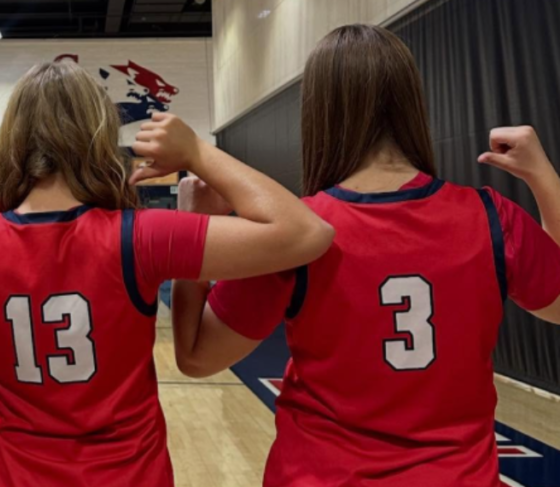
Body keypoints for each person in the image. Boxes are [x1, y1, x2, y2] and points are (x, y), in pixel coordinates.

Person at [0, 61, 335, 487]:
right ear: (97, 137)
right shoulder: (140, 238)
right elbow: (305, 233)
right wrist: (200, 153)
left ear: (14, 140)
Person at [171, 25, 560, 486]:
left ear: (318, 112)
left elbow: (197, 356)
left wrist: (192, 232)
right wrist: (543, 176)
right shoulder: (491, 217)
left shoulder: (298, 233)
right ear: (413, 102)